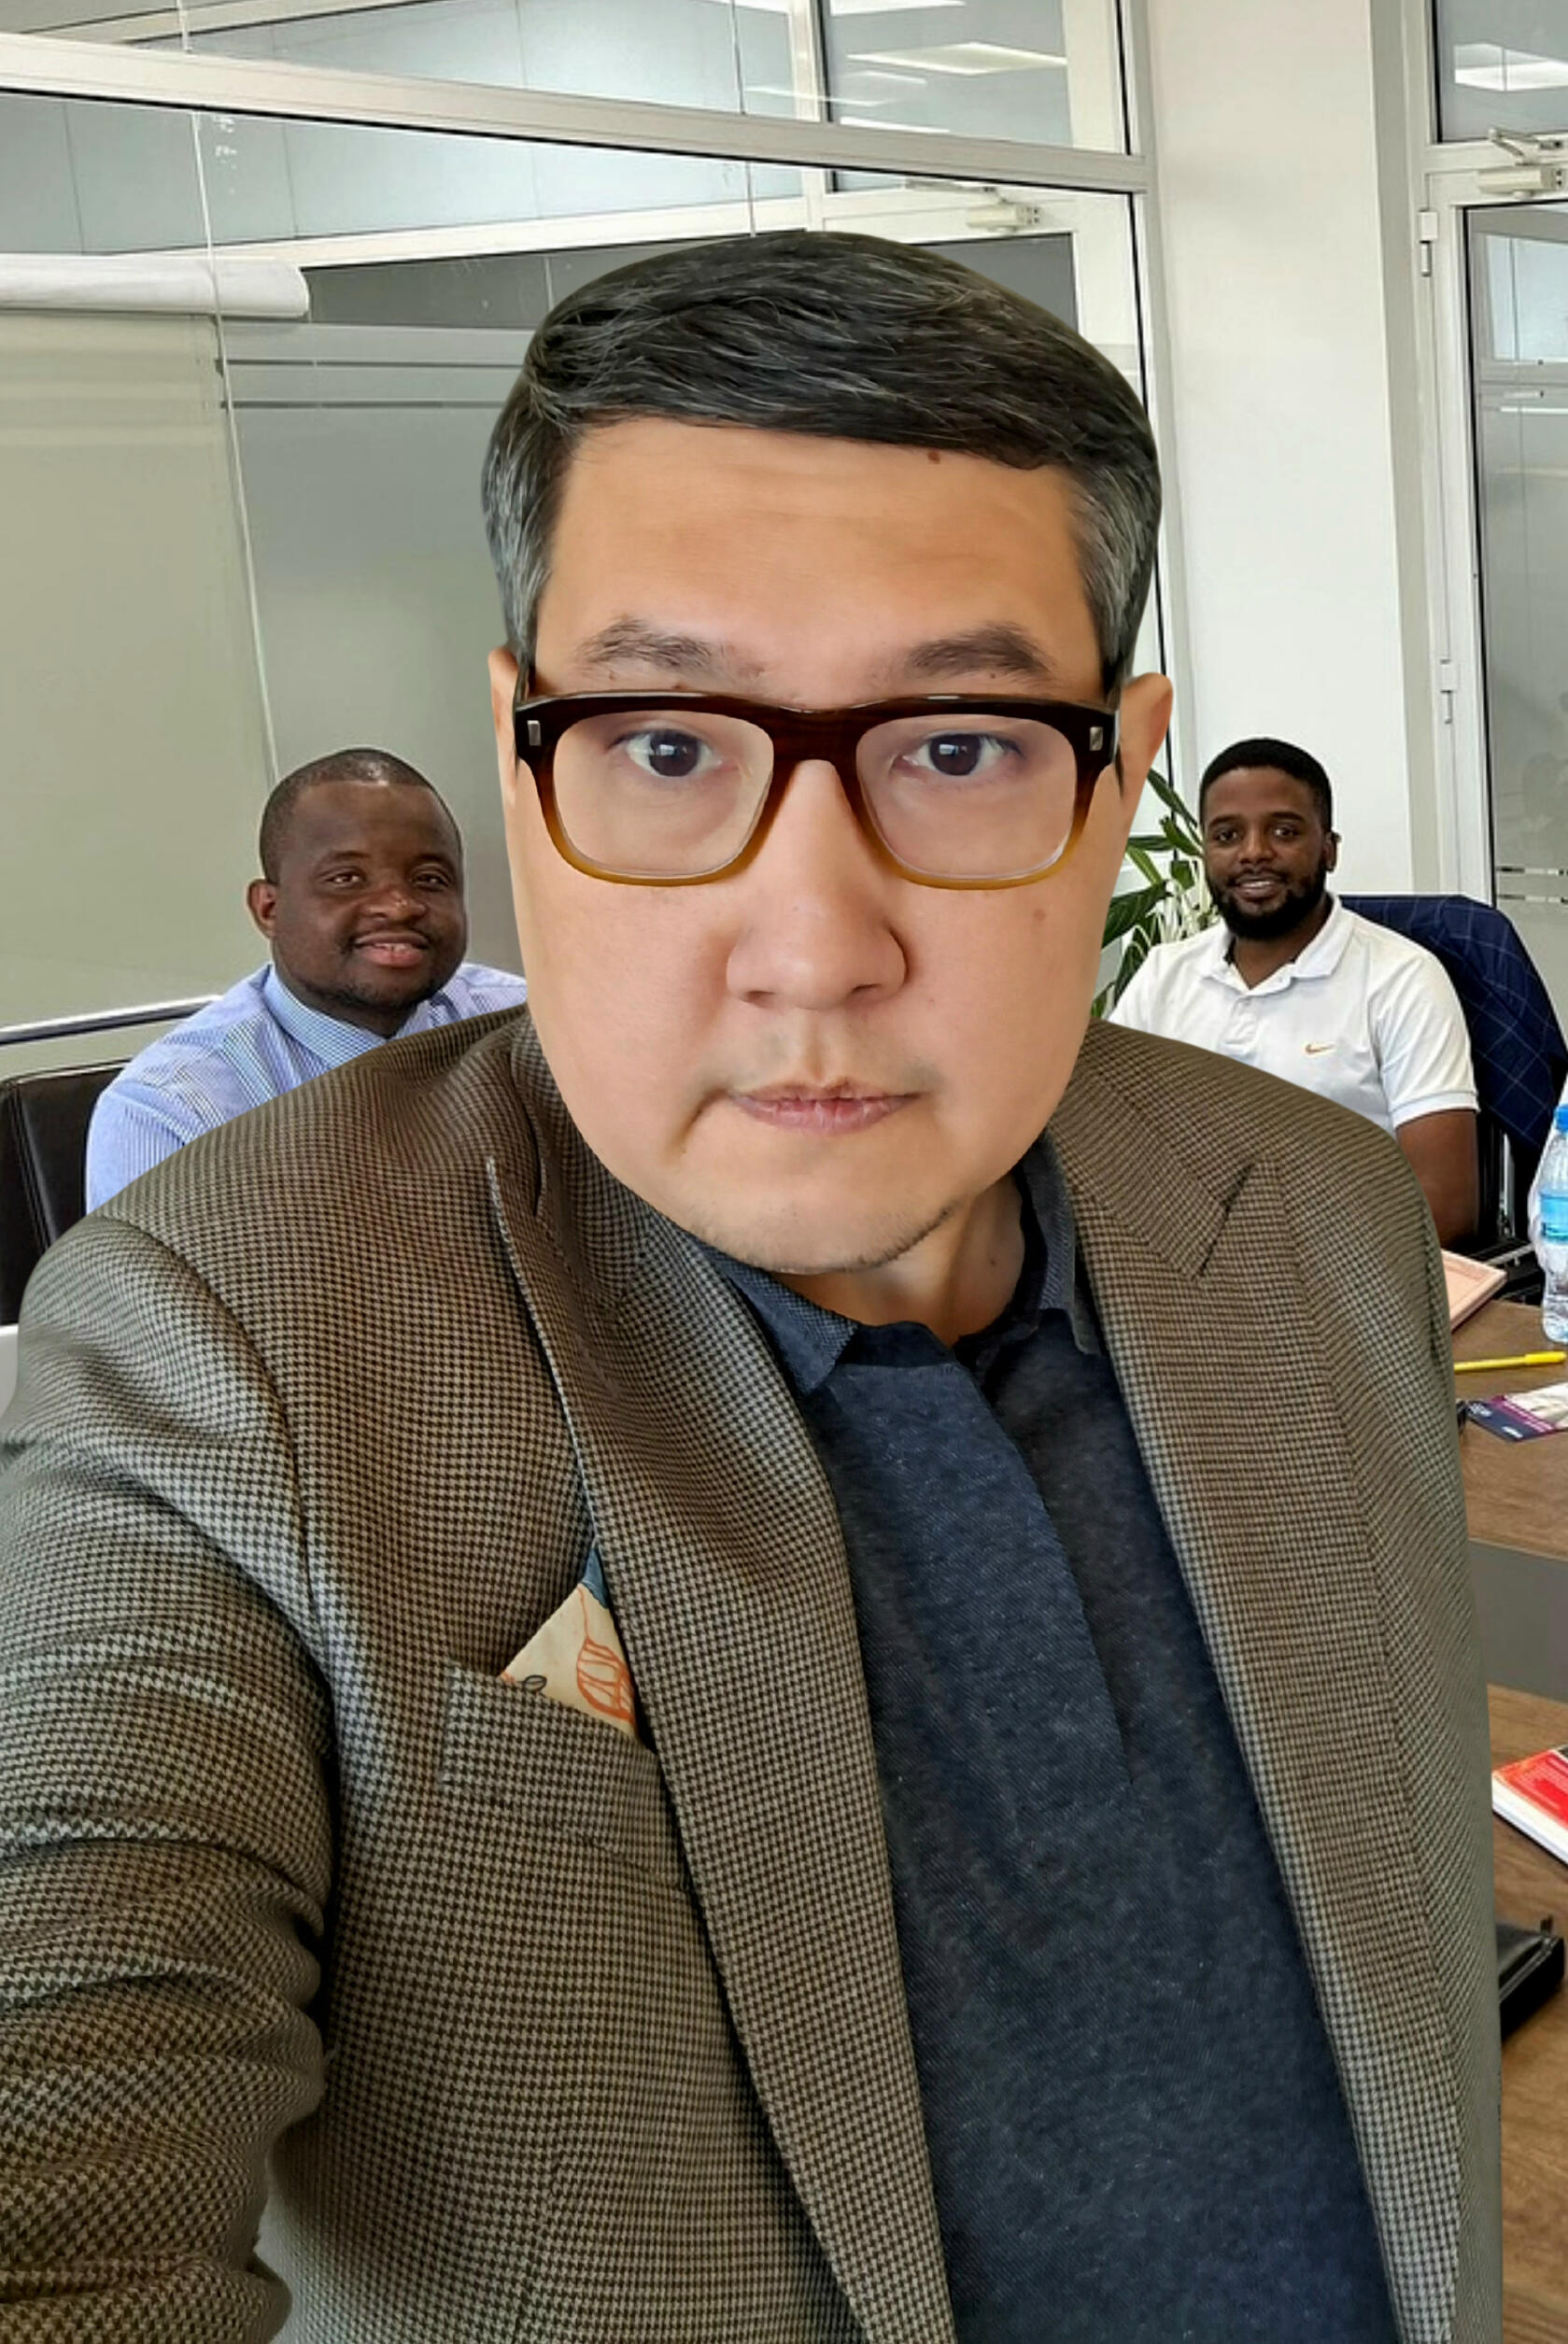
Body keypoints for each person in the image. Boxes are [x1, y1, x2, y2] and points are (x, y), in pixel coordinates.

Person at [0, 234, 1498, 2342]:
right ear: (519, 749)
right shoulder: (218, 1337)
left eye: (959, 746)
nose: (810, 946)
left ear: (1116, 773)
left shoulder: (1312, 1211)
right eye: (663, 745)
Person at [85, 748, 528, 1207]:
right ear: (269, 909)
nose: (399, 906)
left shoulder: (528, 1027)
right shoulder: (171, 1111)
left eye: (430, 879)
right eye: (347, 878)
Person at [1111, 736, 1480, 1244]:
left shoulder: (1402, 979)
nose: (1254, 853)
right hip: (1171, 1263)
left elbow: (1447, 1206)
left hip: (1339, 1273)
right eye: (1227, 835)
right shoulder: (1163, 975)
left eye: (1284, 831)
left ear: (1329, 848)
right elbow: (1106, 1149)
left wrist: (1262, 1262)